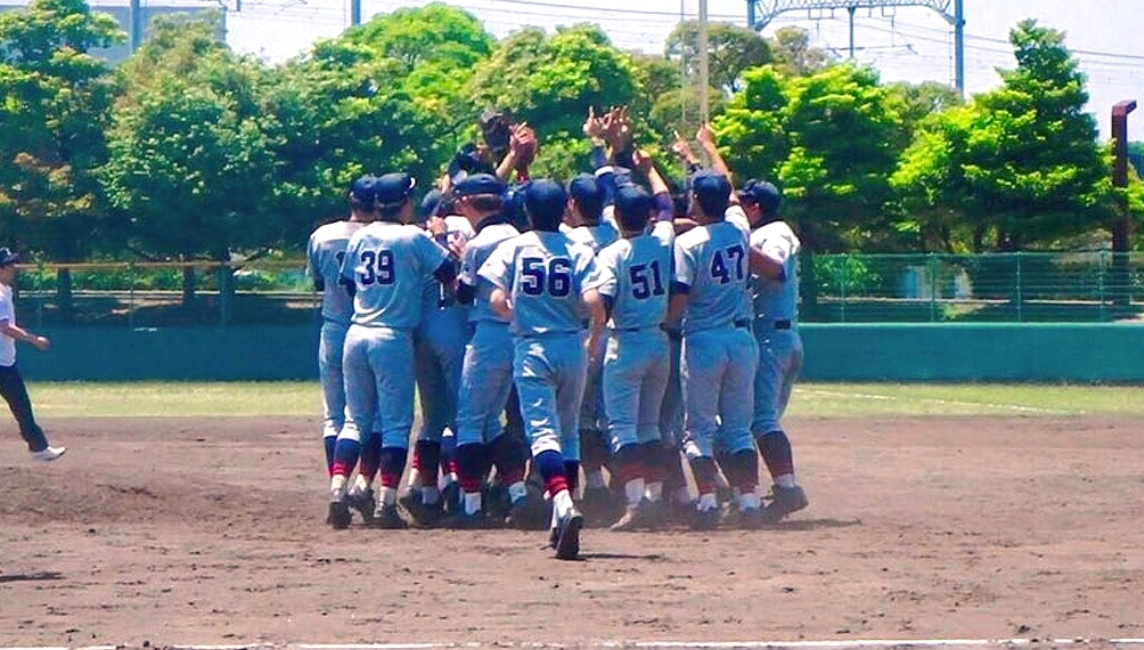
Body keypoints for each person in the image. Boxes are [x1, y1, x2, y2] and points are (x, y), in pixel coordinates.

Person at [480, 179, 607, 560]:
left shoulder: (514, 247)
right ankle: (559, 519)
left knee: (543, 436)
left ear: (528, 212)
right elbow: (594, 301)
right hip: (572, 344)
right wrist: (594, 339)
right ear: (565, 207)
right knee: (568, 434)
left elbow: (496, 299)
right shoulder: (579, 247)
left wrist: (516, 312)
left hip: (532, 346)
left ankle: (564, 504)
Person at [326, 172, 457, 530]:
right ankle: (385, 503)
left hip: (356, 332)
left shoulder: (362, 236)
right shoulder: (412, 237)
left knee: (355, 420)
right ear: (404, 202)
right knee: (397, 425)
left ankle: (338, 489)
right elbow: (449, 273)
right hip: (392, 336)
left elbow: (348, 283)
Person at [666, 170, 763, 530]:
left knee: (699, 430)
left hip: (704, 338)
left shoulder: (688, 243)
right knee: (738, 430)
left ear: (696, 200)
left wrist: (664, 324)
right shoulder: (740, 229)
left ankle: (707, 501)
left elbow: (680, 295)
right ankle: (749, 501)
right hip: (741, 338)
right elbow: (733, 200)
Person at [595, 150, 676, 531]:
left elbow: (605, 304)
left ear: (615, 217)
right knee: (650, 426)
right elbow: (664, 203)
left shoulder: (612, 254)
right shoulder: (662, 239)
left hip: (625, 344)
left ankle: (635, 501)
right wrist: (649, 169)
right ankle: (655, 498)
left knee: (623, 428)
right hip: (658, 343)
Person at [447, 173, 529, 528]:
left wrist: (458, 261)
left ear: (467, 202)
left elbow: (463, 294)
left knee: (468, 421)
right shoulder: (519, 236)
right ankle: (518, 495)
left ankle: (471, 506)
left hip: (488, 335)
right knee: (492, 422)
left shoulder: (479, 244)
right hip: (519, 333)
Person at [738, 179, 809, 522]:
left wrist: (736, 247)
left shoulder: (777, 231)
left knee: (760, 420)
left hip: (773, 338)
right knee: (761, 420)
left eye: (744, 204)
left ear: (756, 207)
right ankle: (781, 487)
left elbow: (776, 269)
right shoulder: (762, 231)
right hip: (774, 335)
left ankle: (788, 488)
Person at [307, 177, 377, 492]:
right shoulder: (383, 237)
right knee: (373, 417)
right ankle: (363, 484)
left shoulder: (322, 235)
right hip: (370, 327)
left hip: (334, 328)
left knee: (334, 417)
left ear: (351, 199)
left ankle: (337, 485)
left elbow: (319, 284)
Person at [0, 248, 64, 462]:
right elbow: (5, 327)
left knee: (21, 406)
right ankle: (38, 448)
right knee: (21, 405)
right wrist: (33, 339)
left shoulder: (4, 292)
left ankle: (38, 447)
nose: (14, 268)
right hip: (2, 366)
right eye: (9, 264)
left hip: (5, 363)